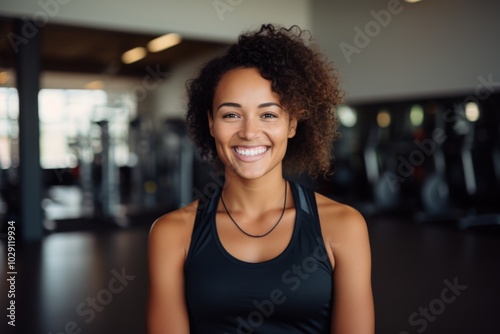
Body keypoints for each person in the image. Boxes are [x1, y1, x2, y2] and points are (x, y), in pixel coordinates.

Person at [147, 24, 374, 334]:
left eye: (268, 114)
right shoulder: (171, 234)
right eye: (231, 114)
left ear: (292, 124)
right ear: (211, 123)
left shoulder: (344, 226)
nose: (250, 132)